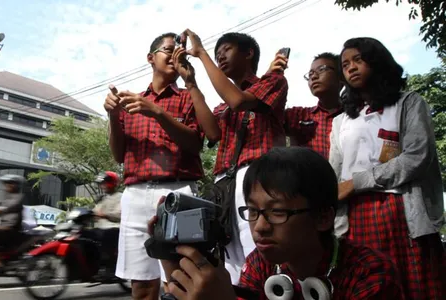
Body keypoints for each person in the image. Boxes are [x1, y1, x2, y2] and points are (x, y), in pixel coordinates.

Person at [151, 147, 404, 300]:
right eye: (252, 211)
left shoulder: (371, 273)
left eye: (278, 212)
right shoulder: (261, 265)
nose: (260, 227)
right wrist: (175, 270)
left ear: (323, 217)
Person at [330, 37, 445, 299]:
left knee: (414, 286)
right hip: (355, 217)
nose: (351, 68)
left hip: (401, 213)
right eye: (345, 64)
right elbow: (334, 173)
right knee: (369, 287)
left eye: (358, 60)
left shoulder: (409, 103)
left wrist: (356, 183)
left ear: (378, 61)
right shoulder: (341, 122)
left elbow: (417, 156)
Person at [172, 29, 288, 284]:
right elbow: (212, 133)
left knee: (262, 258)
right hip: (225, 184)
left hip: (259, 176)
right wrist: (191, 83)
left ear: (249, 53)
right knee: (232, 261)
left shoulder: (272, 82)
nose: (220, 56)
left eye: (226, 49)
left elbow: (238, 100)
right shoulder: (222, 106)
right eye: (216, 53)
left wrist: (202, 54)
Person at [104, 32, 204, 300]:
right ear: (151, 58)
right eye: (167, 50)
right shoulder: (130, 102)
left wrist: (157, 112)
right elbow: (118, 155)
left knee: (180, 283)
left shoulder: (187, 97)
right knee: (143, 287)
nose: (174, 56)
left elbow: (195, 144)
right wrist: (113, 116)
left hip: (178, 192)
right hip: (135, 194)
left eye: (177, 51)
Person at [285, 52, 343, 159]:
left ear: (341, 77)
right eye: (310, 74)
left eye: (322, 69)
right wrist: (275, 73)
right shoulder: (299, 115)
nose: (314, 77)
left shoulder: (356, 116)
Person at [92, 171, 122, 269]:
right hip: (99, 228)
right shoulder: (101, 198)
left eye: (104, 183)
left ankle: (109, 267)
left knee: (107, 235)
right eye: (101, 183)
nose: (102, 186)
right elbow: (94, 212)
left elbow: (119, 214)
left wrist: (104, 215)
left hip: (114, 228)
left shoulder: (120, 197)